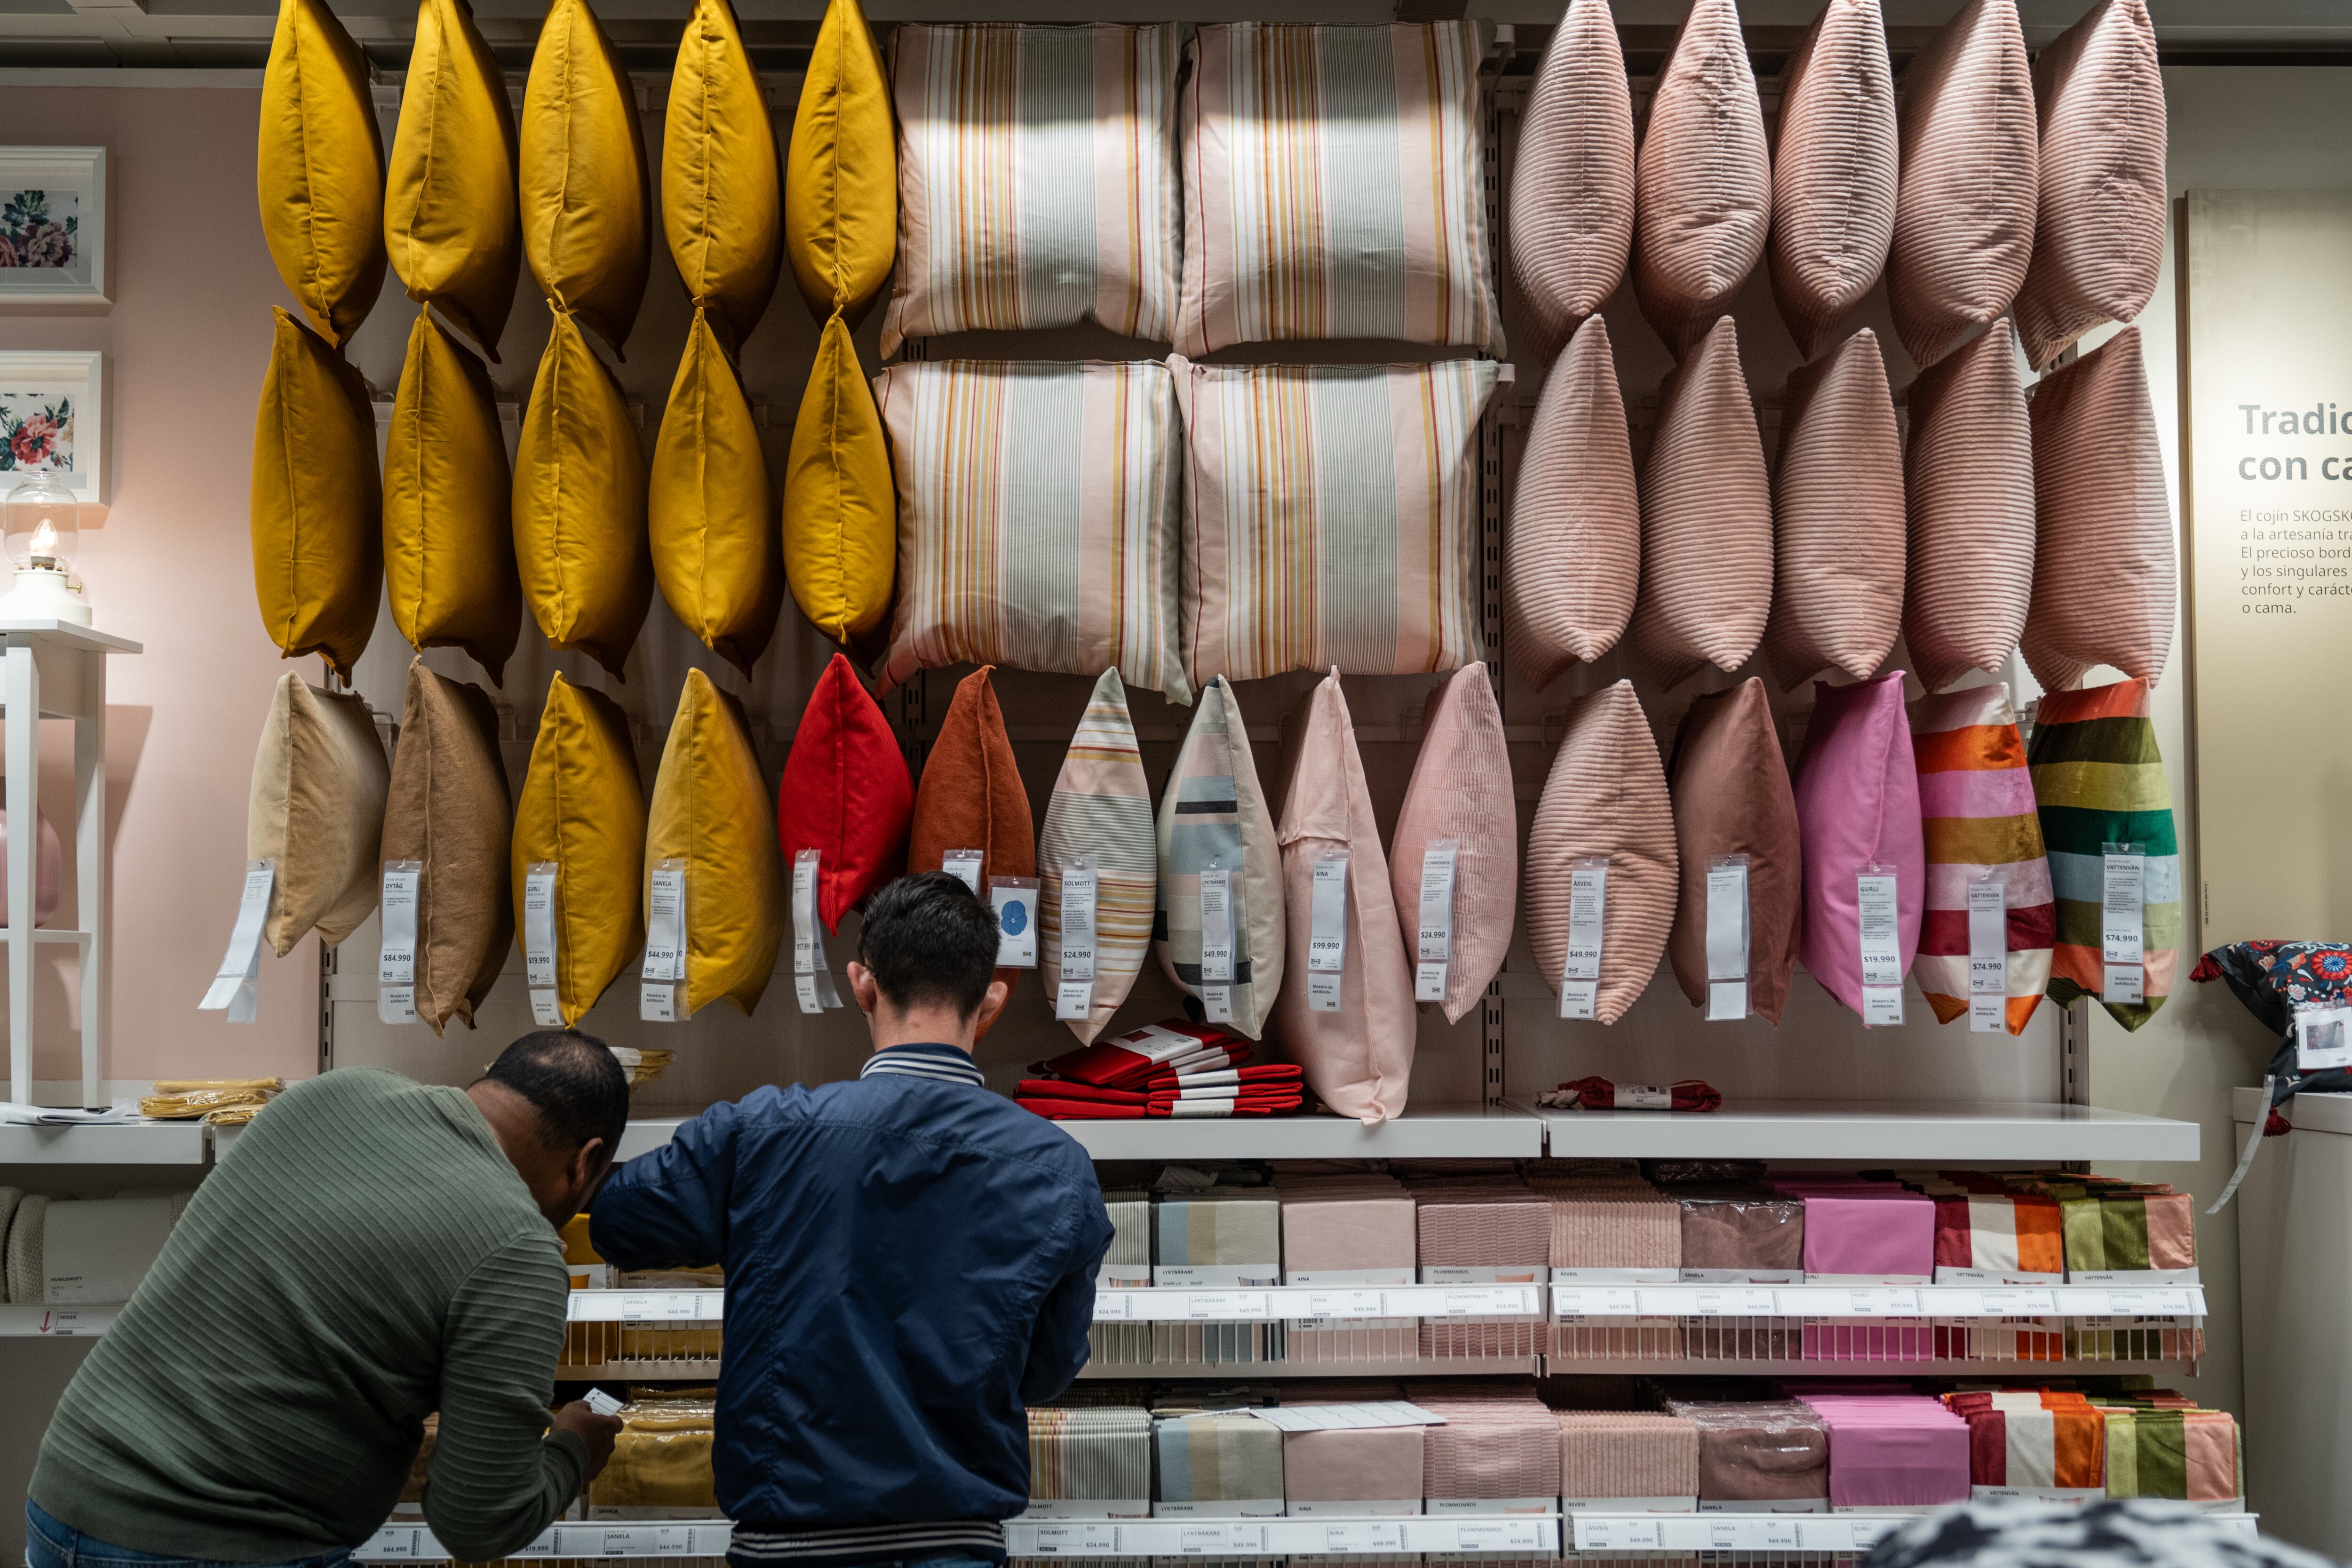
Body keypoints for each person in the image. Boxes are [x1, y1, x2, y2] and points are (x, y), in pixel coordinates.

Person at [592, 871, 1114, 1568]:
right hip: (956, 1544)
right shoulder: (1058, 1167)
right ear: (991, 1000)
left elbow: (618, 1221)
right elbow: (1047, 1371)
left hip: (786, 1546)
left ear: (863, 985)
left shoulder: (764, 1132)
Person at [27, 1033, 632, 1568]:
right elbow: (479, 1521)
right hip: (223, 1542)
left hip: (66, 1492)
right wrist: (574, 1448)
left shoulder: (338, 1091)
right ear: (585, 1163)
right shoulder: (517, 1248)